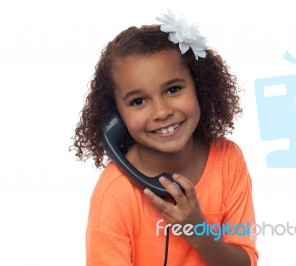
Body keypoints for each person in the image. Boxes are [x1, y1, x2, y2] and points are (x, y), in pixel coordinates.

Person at [71, 10, 258, 266]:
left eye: (173, 89)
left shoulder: (228, 161)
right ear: (115, 117)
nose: (162, 112)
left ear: (199, 87)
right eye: (138, 101)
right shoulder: (115, 193)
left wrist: (197, 232)